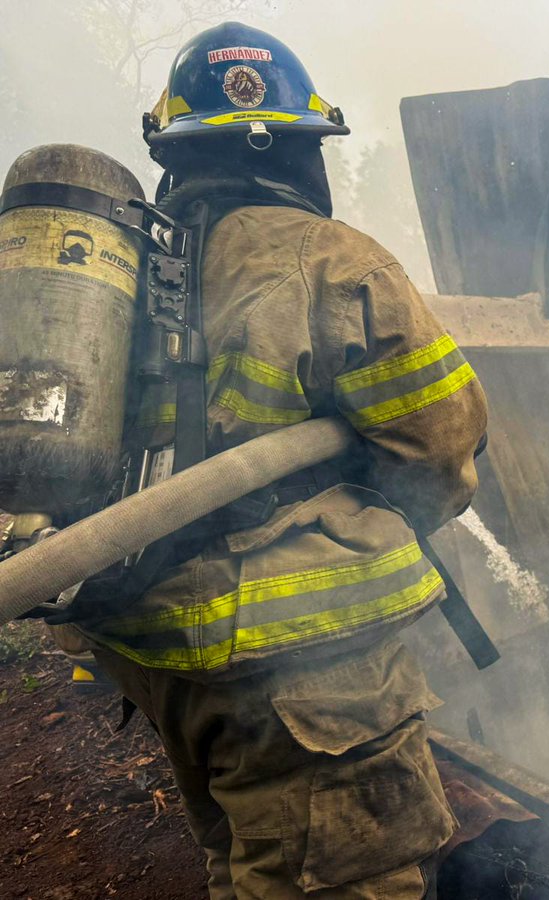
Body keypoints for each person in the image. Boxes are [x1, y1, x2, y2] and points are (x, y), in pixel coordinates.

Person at [75, 21, 487, 899]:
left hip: (157, 651)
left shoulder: (116, 274)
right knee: (344, 878)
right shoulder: (329, 259)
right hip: (301, 668)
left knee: (245, 862)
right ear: (301, 149)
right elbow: (444, 446)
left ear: (177, 156)